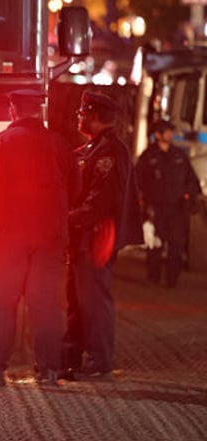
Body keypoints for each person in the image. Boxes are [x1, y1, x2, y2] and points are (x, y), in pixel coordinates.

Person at [0, 90, 81, 387]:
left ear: (13, 110)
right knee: (46, 305)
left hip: (6, 238)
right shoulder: (60, 146)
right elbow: (75, 190)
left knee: (1, 305)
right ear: (38, 112)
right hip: (49, 237)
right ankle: (50, 371)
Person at [62, 91, 142, 381]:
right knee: (78, 298)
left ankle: (98, 360)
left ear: (94, 116)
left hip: (96, 238)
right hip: (84, 237)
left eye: (82, 114)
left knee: (93, 300)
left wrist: (68, 219)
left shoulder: (110, 151)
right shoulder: (94, 148)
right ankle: (71, 356)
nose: (79, 118)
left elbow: (101, 200)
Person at [135, 120, 202, 288]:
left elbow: (191, 180)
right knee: (155, 244)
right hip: (156, 208)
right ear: (158, 135)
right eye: (167, 132)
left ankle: (172, 279)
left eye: (171, 131)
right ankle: (153, 277)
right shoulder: (148, 157)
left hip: (177, 209)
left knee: (177, 244)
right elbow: (137, 181)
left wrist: (191, 196)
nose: (170, 134)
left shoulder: (179, 156)